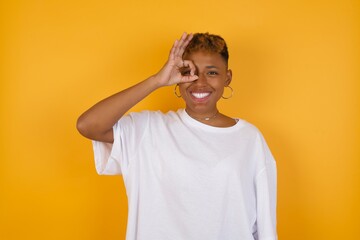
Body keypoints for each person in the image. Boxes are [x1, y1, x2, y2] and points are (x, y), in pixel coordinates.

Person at [77, 32, 278, 240]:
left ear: (227, 77)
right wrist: (156, 80)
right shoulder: (148, 129)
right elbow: (88, 125)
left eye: (211, 73)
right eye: (189, 71)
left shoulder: (249, 138)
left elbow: (264, 225)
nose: (200, 82)